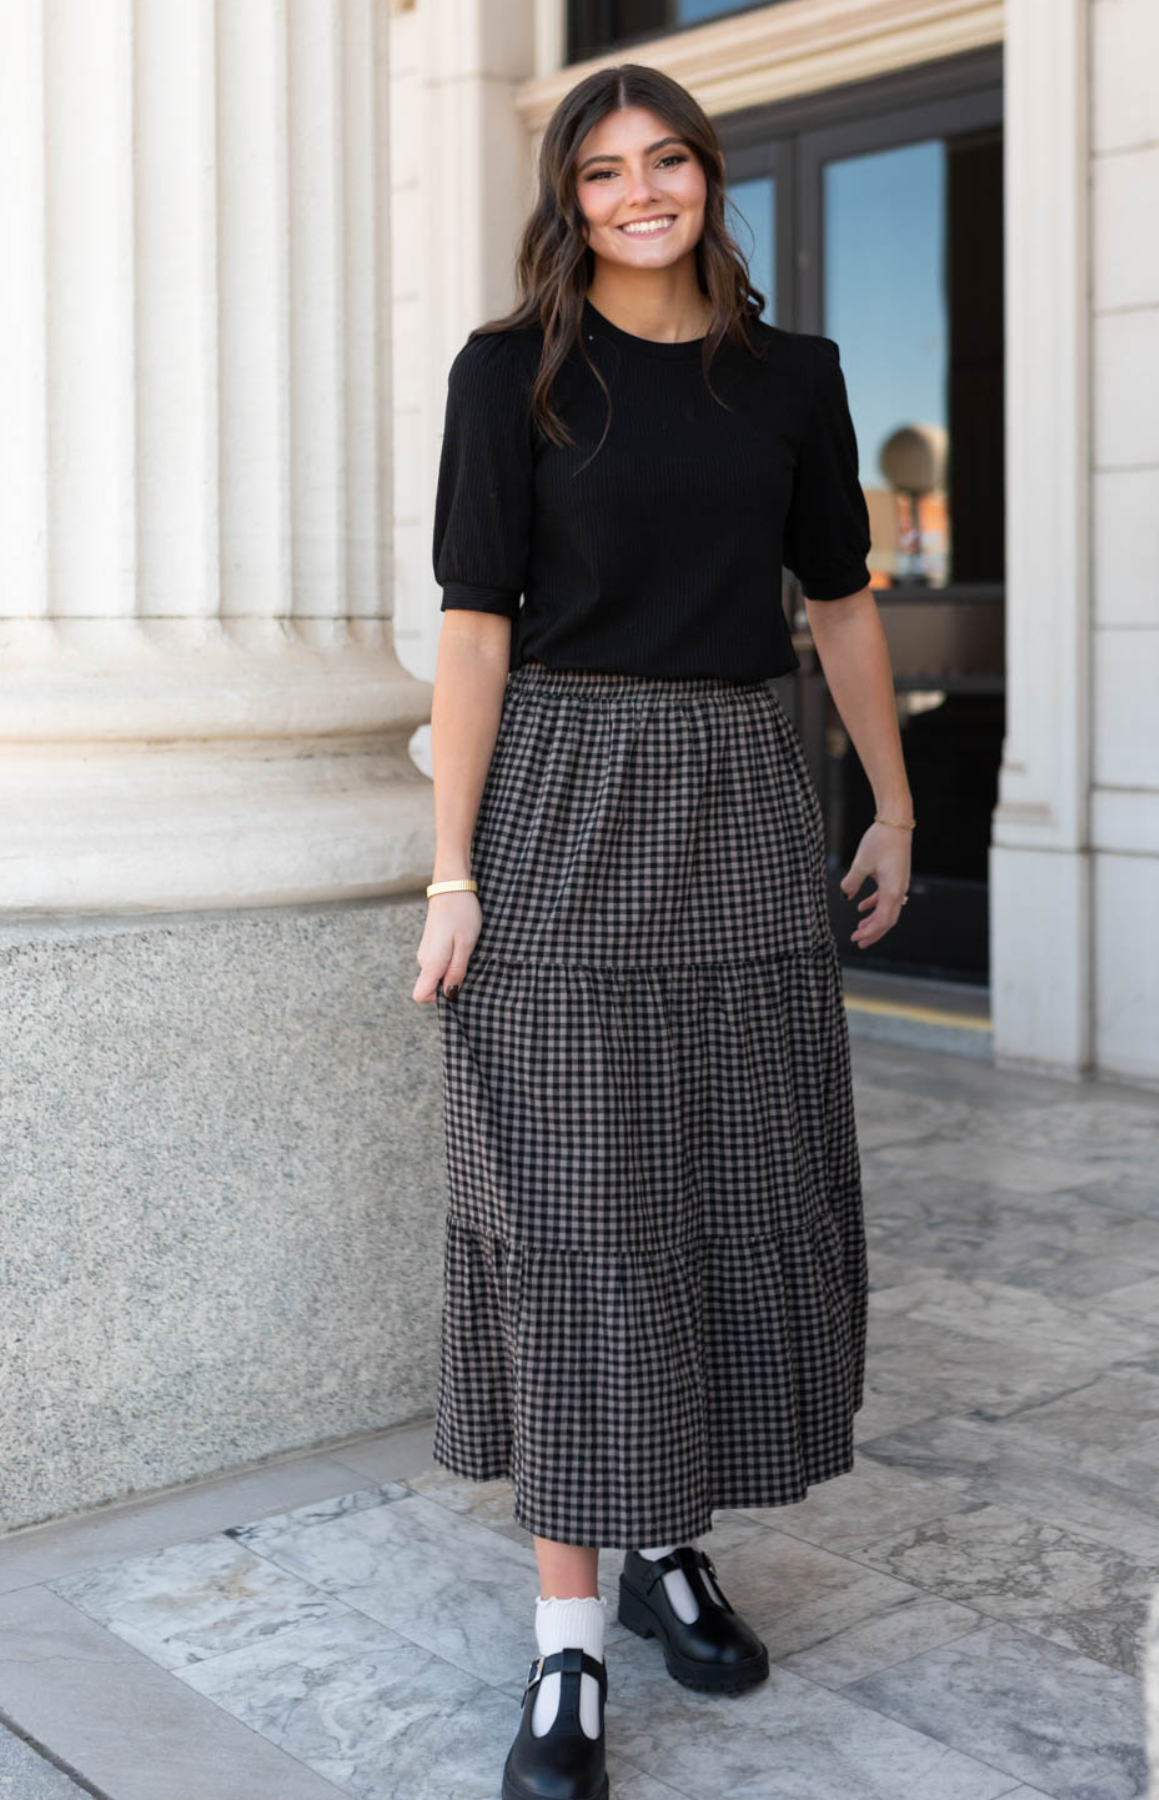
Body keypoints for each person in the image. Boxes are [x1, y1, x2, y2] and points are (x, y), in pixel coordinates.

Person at [412, 61, 914, 1800]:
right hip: (555, 805)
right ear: (571, 194)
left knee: (726, 1187)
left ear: (707, 178)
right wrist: (450, 869)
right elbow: (475, 631)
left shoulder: (795, 379)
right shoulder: (512, 373)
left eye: (669, 163)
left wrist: (893, 806)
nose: (641, 194)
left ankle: (666, 1549)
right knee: (574, 1220)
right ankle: (565, 1648)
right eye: (606, 171)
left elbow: (840, 603)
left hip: (742, 798)